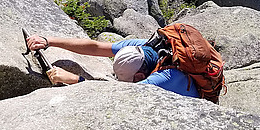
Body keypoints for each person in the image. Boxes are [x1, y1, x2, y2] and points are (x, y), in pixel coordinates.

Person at [25, 35, 199, 98]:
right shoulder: (143, 47)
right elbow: (95, 47)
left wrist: (75, 80)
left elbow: (119, 95)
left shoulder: (162, 79)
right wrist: (49, 41)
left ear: (139, 77)